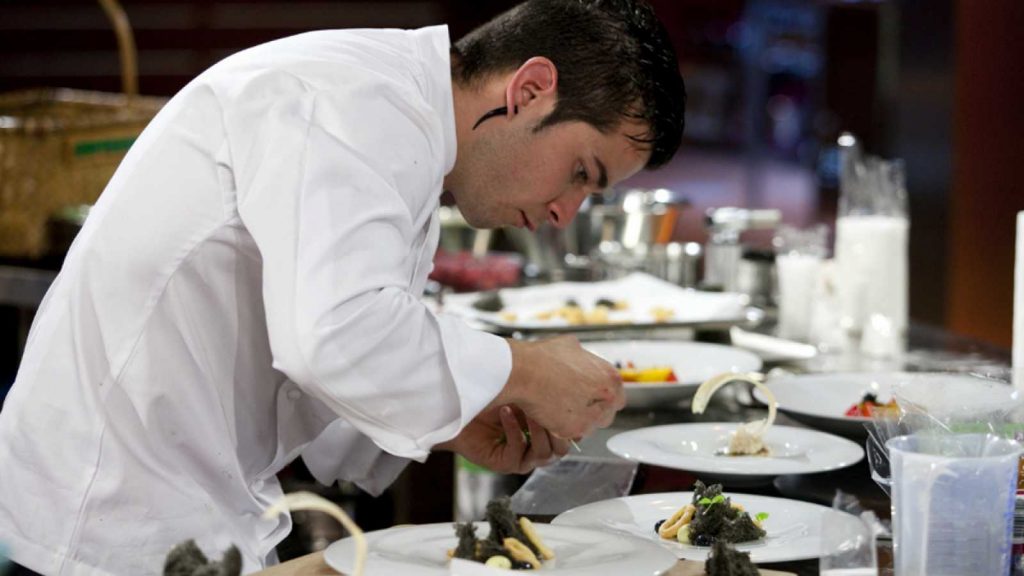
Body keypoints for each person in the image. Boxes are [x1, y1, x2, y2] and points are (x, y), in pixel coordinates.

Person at [0, 0, 686, 573]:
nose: (567, 212)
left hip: (177, 497)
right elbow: (332, 337)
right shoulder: (352, 104)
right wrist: (522, 367)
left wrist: (457, 424)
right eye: (580, 172)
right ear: (529, 89)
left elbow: (309, 348)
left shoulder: (405, 124)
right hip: (107, 522)